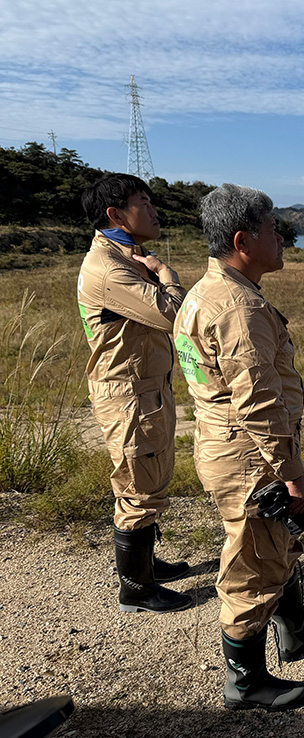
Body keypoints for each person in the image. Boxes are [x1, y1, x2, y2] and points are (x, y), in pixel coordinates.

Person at [173, 184, 304, 711]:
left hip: (228, 445)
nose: (282, 237)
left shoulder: (205, 292)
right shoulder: (237, 308)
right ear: (243, 240)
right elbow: (259, 404)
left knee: (277, 543)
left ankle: (296, 630)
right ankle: (245, 683)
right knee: (252, 563)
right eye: (272, 229)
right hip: (251, 456)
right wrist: (292, 474)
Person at [77, 173, 192, 614]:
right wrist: (168, 276)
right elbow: (174, 315)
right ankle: (136, 589)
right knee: (136, 486)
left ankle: (146, 564)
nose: (155, 209)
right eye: (144, 202)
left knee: (149, 479)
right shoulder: (110, 269)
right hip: (129, 394)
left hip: (144, 389)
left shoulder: (126, 257)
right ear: (115, 215)